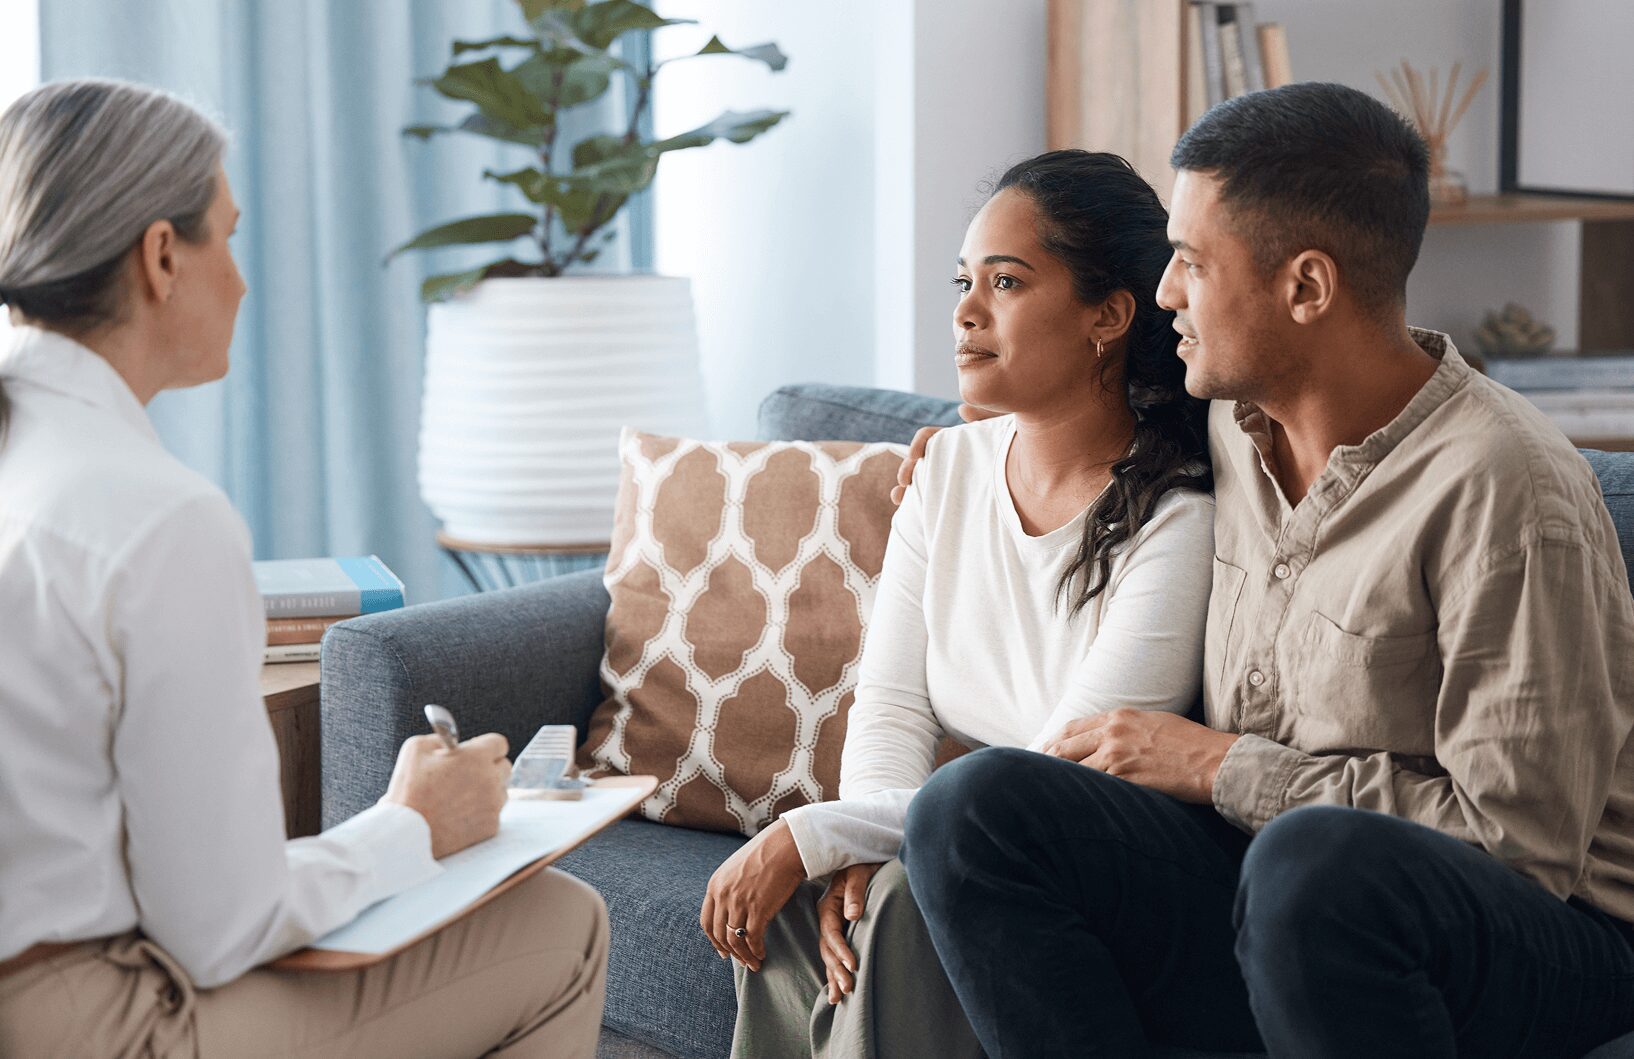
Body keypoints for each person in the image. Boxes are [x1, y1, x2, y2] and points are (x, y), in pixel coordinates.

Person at [899, 82, 1634, 1056]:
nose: (1164, 293)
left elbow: (1518, 848)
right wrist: (942, 449)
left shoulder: (1505, 489)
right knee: (977, 806)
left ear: (1304, 288)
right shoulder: (1226, 420)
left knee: (1311, 862)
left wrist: (1224, 766)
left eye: (1191, 264)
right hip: (1271, 886)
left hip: (1536, 931)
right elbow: (1076, 389)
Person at [0, 79, 607, 1057]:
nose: (240, 280)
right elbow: (218, 931)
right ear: (162, 256)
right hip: (95, 1028)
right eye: (227, 239)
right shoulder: (160, 519)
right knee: (560, 926)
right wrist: (413, 825)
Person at [701, 150, 1218, 1058]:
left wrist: (816, 832)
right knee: (814, 900)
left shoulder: (1178, 515)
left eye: (1007, 282)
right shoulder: (943, 470)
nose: (966, 310)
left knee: (895, 894)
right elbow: (893, 704)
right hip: (952, 826)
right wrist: (847, 849)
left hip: (1074, 862)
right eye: (963, 280)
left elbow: (1050, 780)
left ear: (1109, 314)